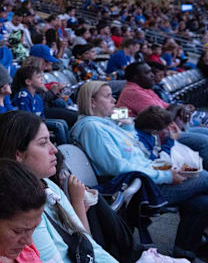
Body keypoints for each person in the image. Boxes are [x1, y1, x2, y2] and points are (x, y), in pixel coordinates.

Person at [72, 81, 208, 260]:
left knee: (202, 201)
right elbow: (118, 167)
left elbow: (136, 152)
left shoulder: (103, 123)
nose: (113, 99)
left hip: (148, 176)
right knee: (205, 177)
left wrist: (127, 125)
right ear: (92, 102)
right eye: (107, 96)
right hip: (141, 188)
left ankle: (185, 249)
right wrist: (166, 174)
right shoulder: (92, 128)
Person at [0, 111, 121, 263]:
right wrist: (77, 203)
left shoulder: (46, 183)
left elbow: (88, 246)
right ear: (18, 154)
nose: (54, 149)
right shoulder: (20, 206)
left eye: (50, 141)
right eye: (43, 143)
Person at [12, 65, 70, 145]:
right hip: (28, 125)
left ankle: (69, 146)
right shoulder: (23, 96)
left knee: (63, 122)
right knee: (59, 125)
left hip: (38, 121)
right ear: (28, 81)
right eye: (38, 77)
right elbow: (25, 118)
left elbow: (42, 116)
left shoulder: (36, 96)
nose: (42, 79)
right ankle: (63, 148)